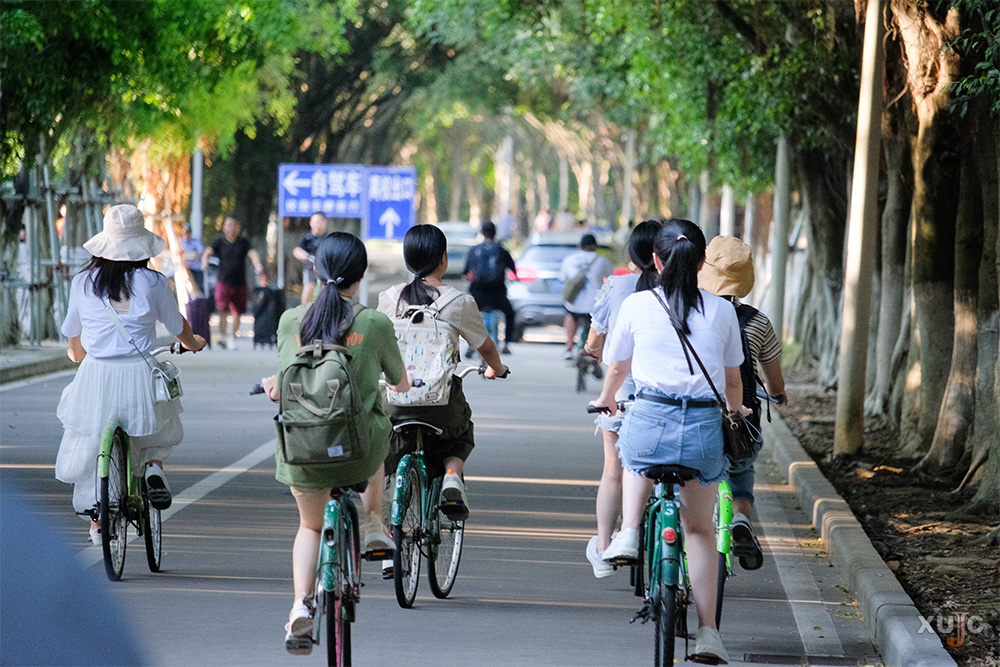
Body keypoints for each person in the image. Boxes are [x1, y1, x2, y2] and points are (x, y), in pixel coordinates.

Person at [590, 219, 746, 664]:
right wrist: (735, 411)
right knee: (698, 530)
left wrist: (605, 400)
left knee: (633, 450)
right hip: (702, 432)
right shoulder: (723, 311)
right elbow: (732, 382)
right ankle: (709, 632)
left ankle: (628, 533)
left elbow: (618, 369)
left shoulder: (637, 304)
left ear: (655, 261)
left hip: (650, 420)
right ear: (702, 263)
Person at [259, 232, 412, 651]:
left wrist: (271, 385)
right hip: (357, 454)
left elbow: (283, 385)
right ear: (359, 277)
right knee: (381, 425)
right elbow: (400, 383)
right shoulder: (374, 323)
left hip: (304, 453)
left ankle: (301, 606)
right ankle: (374, 522)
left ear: (316, 270)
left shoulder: (292, 321)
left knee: (310, 526)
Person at [55, 205, 207, 543]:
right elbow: (178, 326)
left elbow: (73, 337)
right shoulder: (153, 282)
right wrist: (194, 342)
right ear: (141, 247)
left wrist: (78, 354)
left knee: (92, 441)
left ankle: (97, 522)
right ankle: (153, 467)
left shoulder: (83, 282)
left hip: (96, 376)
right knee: (157, 430)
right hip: (138, 373)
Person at [379, 224, 510, 521]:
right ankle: (452, 476)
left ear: (408, 259)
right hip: (441, 405)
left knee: (388, 443)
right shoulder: (458, 302)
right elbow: (485, 346)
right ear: (443, 259)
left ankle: (388, 528)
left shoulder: (389, 298)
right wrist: (497, 369)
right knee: (460, 435)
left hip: (395, 402)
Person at [698, 235, 787, 571]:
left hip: (696, 415)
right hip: (741, 420)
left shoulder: (690, 313)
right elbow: (774, 381)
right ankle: (740, 518)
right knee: (741, 472)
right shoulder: (758, 322)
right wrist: (778, 393)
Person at [580, 220, 662, 577]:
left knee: (613, 471)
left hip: (621, 398)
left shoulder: (617, 286)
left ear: (632, 253)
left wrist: (594, 351)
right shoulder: (680, 289)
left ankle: (603, 548)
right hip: (662, 401)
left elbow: (594, 339)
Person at [201, 216, 263, 350]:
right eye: (228, 225)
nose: (231, 228)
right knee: (222, 309)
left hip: (240, 282)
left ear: (238, 228)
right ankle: (223, 336)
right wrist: (204, 261)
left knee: (238, 312)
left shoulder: (243, 242)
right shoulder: (219, 241)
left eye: (234, 226)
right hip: (223, 282)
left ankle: (232, 338)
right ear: (224, 227)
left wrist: (257, 265)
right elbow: (207, 252)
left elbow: (253, 254)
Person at [463, 220, 517, 352]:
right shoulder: (502, 251)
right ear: (495, 233)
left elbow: (465, 273)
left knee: (469, 315)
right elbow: (513, 271)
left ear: (482, 232)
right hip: (497, 294)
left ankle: (471, 344)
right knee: (510, 313)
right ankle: (506, 344)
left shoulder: (474, 250)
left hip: (478, 293)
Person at [559, 232, 613, 360]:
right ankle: (592, 349)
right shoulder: (603, 261)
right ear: (596, 246)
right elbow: (610, 279)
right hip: (594, 303)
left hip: (574, 301)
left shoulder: (569, 259)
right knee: (596, 322)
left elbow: (563, 278)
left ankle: (569, 347)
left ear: (579, 245)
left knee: (570, 315)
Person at [292, 212, 327, 305]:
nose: (316, 224)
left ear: (324, 223)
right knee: (309, 287)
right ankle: (305, 310)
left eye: (318, 222)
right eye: (313, 222)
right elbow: (297, 250)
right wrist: (306, 256)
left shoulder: (328, 238)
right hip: (310, 269)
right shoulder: (306, 238)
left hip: (325, 269)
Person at [178, 224, 206, 293]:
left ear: (190, 233)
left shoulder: (196, 241)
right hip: (186, 270)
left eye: (188, 232)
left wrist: (191, 261)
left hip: (197, 270)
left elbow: (201, 253)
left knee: (199, 288)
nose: (186, 234)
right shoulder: (180, 242)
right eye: (184, 232)